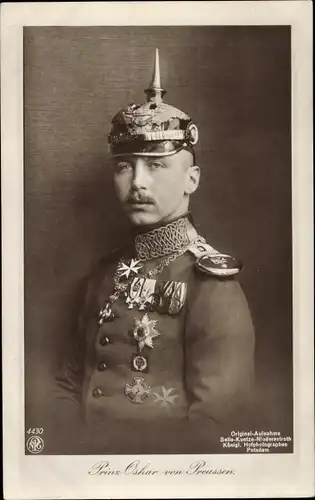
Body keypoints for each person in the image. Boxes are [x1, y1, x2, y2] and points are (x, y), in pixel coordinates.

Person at [48, 49, 255, 454]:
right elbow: (65, 387)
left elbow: (216, 428)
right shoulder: (104, 273)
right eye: (125, 165)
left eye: (156, 166)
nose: (137, 181)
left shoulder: (211, 285)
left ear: (191, 179)